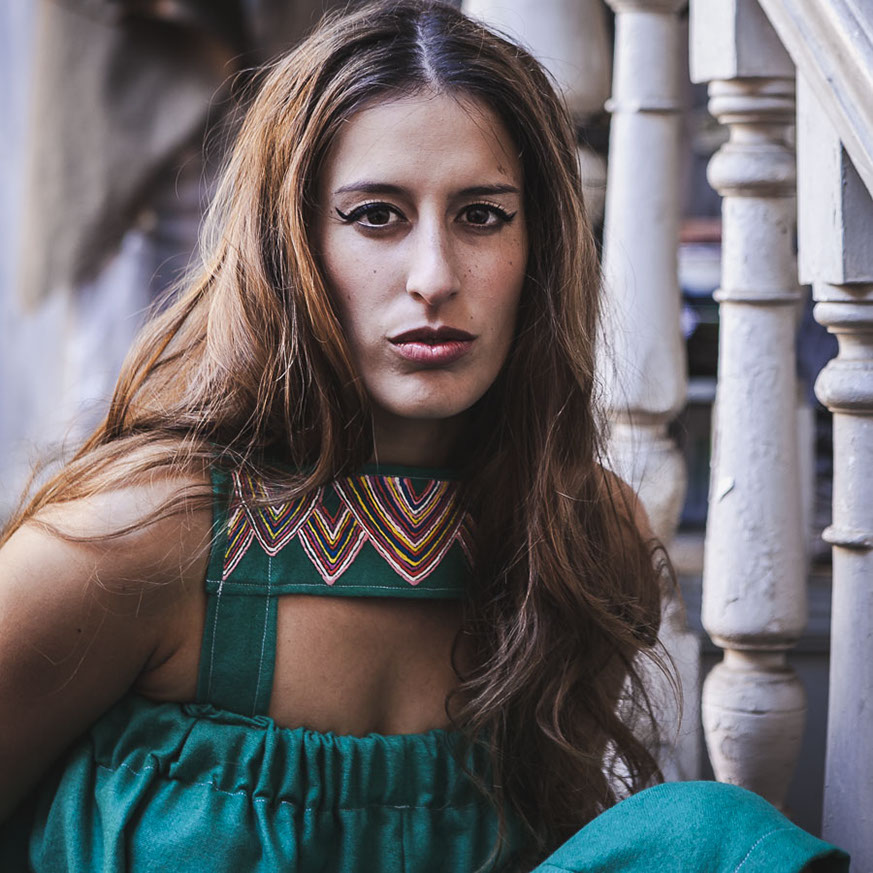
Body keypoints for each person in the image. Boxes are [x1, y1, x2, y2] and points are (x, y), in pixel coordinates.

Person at [0, 2, 849, 871]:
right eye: (376, 215)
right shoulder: (140, 539)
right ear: (290, 243)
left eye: (482, 215)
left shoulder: (580, 538)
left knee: (707, 833)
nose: (434, 277)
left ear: (539, 245)